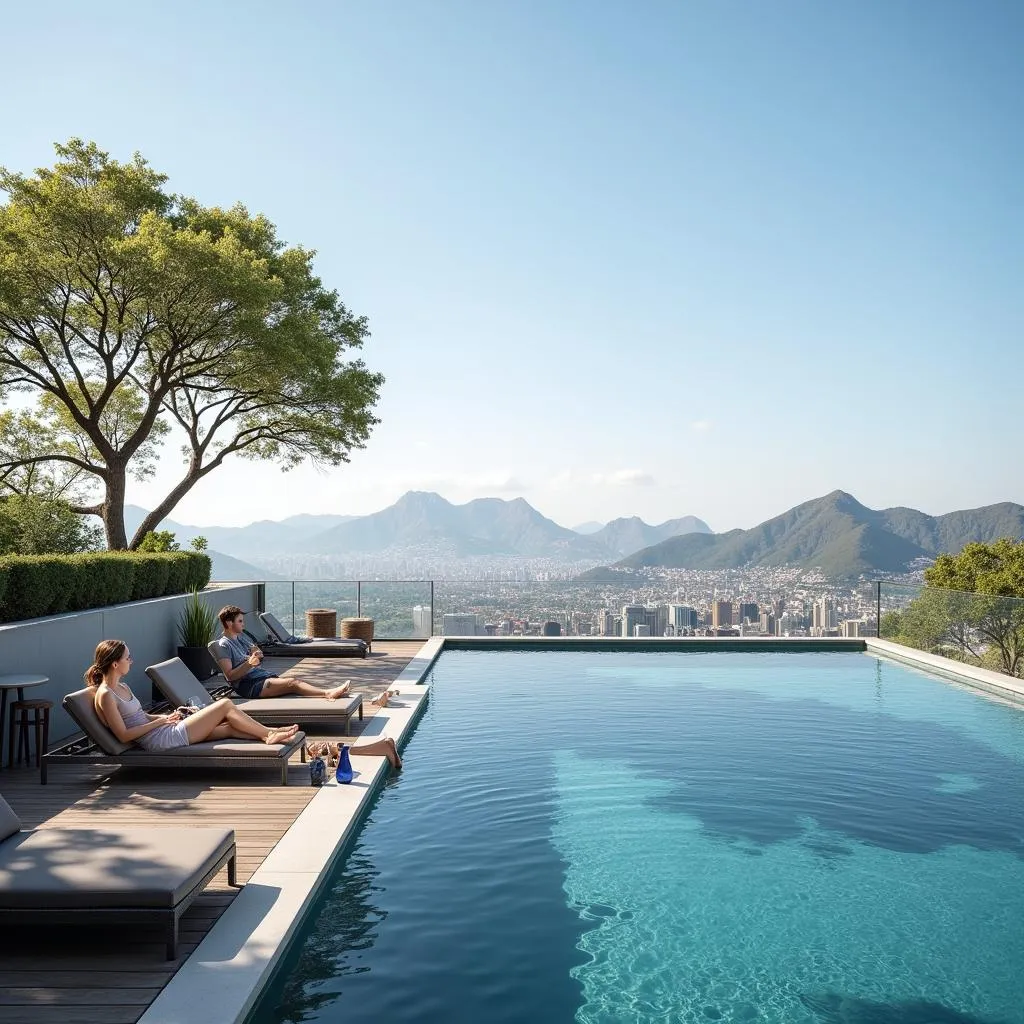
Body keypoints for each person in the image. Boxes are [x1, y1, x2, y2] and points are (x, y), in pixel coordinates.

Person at [88, 639, 300, 751]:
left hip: (163, 729)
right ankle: (268, 734)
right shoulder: (106, 695)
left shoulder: (122, 687)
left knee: (230, 728)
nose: (131, 661)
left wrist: (166, 717)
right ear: (115, 664)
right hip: (160, 740)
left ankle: (270, 732)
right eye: (128, 658)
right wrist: (160, 723)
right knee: (225, 705)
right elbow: (124, 734)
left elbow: (139, 716)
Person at [213, 606, 353, 701]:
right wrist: (249, 664)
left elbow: (255, 650)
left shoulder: (241, 637)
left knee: (294, 683)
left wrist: (256, 653)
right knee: (293, 683)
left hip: (261, 677)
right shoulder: (224, 644)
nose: (243, 624)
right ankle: (327, 693)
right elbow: (230, 677)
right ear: (229, 623)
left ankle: (325, 693)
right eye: (240, 621)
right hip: (250, 685)